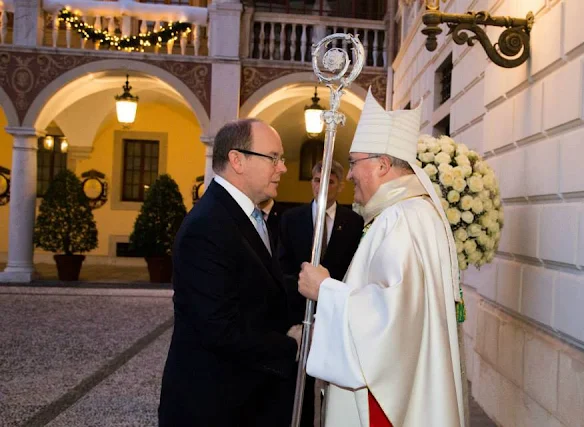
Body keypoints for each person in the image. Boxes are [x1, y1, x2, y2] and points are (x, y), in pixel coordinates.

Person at [298, 90, 465, 426]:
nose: (348, 176)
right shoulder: (411, 213)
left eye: (355, 163)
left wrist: (325, 289)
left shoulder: (401, 218)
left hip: (385, 401)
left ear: (383, 165)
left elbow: (392, 317)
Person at [158, 118, 302, 427]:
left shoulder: (246, 214)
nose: (283, 168)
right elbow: (219, 329)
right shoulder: (207, 226)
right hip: (215, 405)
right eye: (274, 157)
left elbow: (258, 291)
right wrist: (292, 344)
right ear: (237, 160)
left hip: (247, 399)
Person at [278, 160, 364, 426]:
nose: (322, 186)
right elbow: (282, 266)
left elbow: (354, 269)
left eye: (330, 181)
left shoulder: (354, 222)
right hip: (299, 314)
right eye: (317, 180)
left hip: (336, 313)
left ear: (341, 185)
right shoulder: (291, 219)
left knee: (335, 382)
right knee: (299, 380)